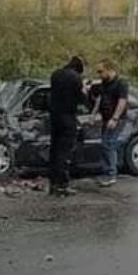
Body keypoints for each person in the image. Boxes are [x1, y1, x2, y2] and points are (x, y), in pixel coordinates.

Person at [48, 56, 87, 197]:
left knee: (54, 150)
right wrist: (86, 90)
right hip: (68, 117)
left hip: (54, 117)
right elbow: (81, 99)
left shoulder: (56, 74)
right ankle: (62, 185)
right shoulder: (76, 78)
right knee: (65, 152)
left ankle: (52, 184)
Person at [92, 59, 129, 188]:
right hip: (106, 118)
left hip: (117, 119)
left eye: (101, 71)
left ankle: (111, 174)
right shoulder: (105, 83)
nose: (99, 74)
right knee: (104, 144)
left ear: (109, 69)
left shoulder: (121, 83)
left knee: (108, 144)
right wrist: (96, 113)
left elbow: (122, 102)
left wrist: (115, 118)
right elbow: (100, 99)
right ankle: (106, 171)